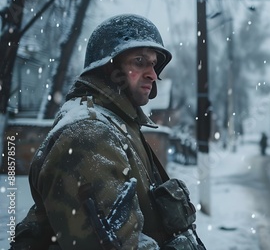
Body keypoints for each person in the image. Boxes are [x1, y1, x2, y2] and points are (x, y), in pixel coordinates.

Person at [11, 14, 204, 250]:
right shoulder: (88, 135)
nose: (153, 75)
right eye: (139, 61)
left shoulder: (120, 125)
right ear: (107, 68)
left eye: (153, 64)